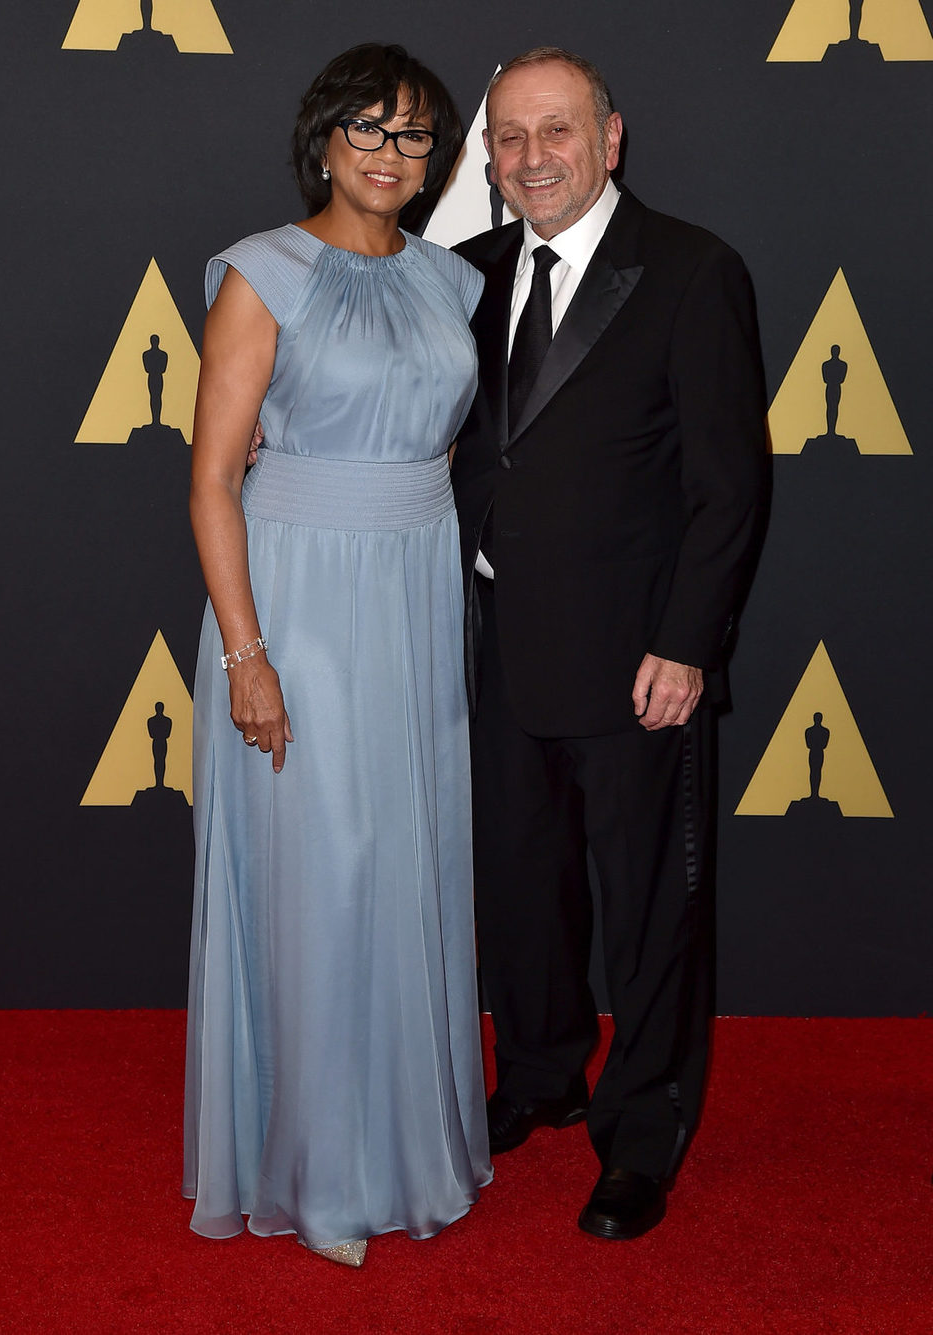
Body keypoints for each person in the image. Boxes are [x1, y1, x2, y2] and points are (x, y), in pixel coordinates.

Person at [450, 48, 767, 1241]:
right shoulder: (464, 276)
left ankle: (643, 1134)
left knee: (645, 911)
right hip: (492, 651)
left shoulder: (691, 271)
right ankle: (538, 1076)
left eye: (557, 132)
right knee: (522, 892)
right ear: (490, 155)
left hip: (639, 664)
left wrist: (687, 643)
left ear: (612, 138)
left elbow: (730, 486)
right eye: (510, 137)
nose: (532, 157)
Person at [183, 43, 491, 1269]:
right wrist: (247, 654)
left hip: (410, 596)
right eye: (366, 129)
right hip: (296, 602)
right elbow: (211, 480)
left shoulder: (453, 283)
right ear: (323, 140)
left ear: (436, 161)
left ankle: (403, 1139)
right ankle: (317, 1163)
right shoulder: (263, 275)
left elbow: (441, 444)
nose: (388, 154)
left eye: (415, 136)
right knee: (323, 873)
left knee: (406, 868)